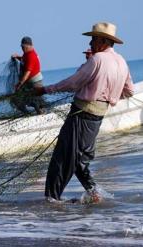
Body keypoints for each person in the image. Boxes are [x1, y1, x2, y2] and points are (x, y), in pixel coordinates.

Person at [35, 22, 134, 202]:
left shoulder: (97, 60)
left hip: (81, 115)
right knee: (78, 159)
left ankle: (51, 201)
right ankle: (95, 194)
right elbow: (129, 91)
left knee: (62, 158)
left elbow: (73, 83)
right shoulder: (121, 61)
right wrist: (108, 96)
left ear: (103, 41)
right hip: (97, 118)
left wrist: (45, 90)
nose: (90, 43)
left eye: (93, 39)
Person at [11, 36, 46, 114]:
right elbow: (24, 61)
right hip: (28, 82)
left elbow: (27, 73)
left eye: (24, 47)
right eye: (22, 47)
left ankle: (41, 113)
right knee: (16, 98)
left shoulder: (31, 56)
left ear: (29, 45)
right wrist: (18, 57)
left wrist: (20, 84)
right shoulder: (26, 54)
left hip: (35, 82)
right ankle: (28, 113)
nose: (22, 48)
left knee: (38, 101)